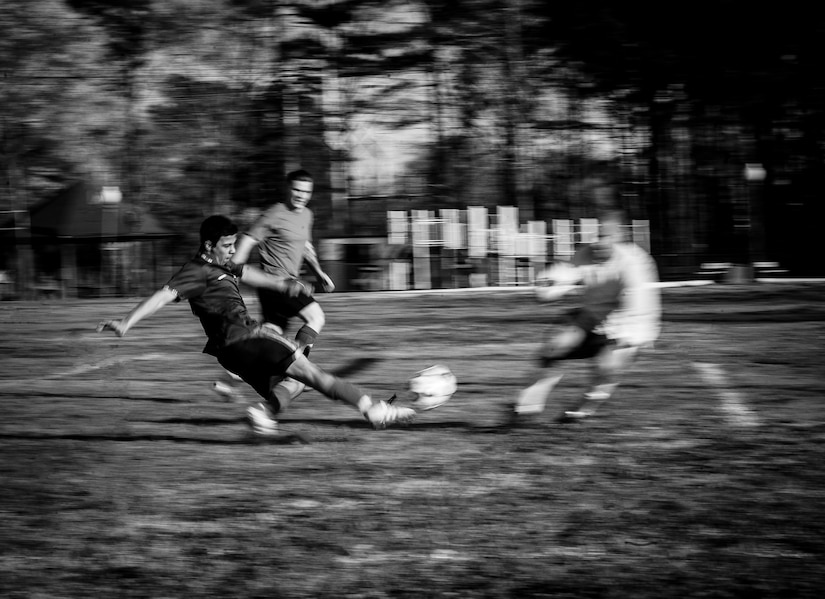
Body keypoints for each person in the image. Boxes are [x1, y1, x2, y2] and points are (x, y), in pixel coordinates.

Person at [97, 215, 415, 435]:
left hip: (231, 354)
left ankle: (263, 415)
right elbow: (164, 295)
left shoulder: (224, 265)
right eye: (226, 245)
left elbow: (251, 275)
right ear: (208, 246)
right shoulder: (196, 270)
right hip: (250, 338)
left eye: (235, 244)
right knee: (316, 376)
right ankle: (372, 410)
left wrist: (285, 286)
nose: (233, 250)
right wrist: (127, 322)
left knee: (294, 385)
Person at [513, 209, 661, 422]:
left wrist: (628, 342)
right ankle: (527, 404)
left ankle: (583, 409)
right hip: (591, 316)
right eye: (597, 235)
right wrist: (547, 283)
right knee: (557, 342)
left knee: (607, 365)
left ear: (620, 237)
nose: (599, 241)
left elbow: (640, 309)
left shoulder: (634, 264)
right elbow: (567, 272)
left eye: (605, 236)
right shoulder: (586, 254)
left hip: (630, 323)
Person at [214, 169, 334, 402]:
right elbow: (248, 239)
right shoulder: (274, 213)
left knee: (271, 335)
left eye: (306, 191)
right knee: (316, 317)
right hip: (278, 283)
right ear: (288, 189)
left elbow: (305, 246)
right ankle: (299, 372)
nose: (301, 195)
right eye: (297, 190)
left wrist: (318, 272)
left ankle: (228, 380)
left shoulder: (307, 215)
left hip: (286, 285)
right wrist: (237, 267)